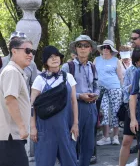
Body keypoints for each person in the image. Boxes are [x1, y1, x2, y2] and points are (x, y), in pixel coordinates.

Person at [30, 46, 79, 166]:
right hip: (45, 130)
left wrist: (75, 124)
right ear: (45, 61)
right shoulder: (39, 80)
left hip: (65, 128)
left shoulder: (69, 77)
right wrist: (33, 127)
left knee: (70, 162)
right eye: (50, 57)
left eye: (56, 56)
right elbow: (32, 105)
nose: (54, 59)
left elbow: (74, 101)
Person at [61, 35, 99, 165]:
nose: (83, 48)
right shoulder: (67, 67)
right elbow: (63, 90)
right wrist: (79, 96)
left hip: (91, 108)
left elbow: (96, 86)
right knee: (71, 141)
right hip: (74, 107)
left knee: (88, 145)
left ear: (90, 49)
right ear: (75, 49)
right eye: (79, 46)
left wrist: (95, 94)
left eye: (86, 46)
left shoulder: (92, 67)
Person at [0, 37, 33, 166]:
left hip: (11, 136)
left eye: (32, 52)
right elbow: (10, 100)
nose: (30, 54)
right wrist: (22, 127)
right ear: (14, 51)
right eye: (27, 50)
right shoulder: (12, 72)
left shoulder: (15, 72)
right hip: (10, 136)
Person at [119, 48, 140, 166]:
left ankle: (139, 163)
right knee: (126, 141)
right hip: (132, 108)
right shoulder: (131, 71)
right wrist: (134, 85)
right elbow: (124, 90)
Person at [95, 40, 124, 146]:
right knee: (103, 112)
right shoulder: (96, 60)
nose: (105, 49)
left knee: (115, 112)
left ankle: (115, 136)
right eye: (104, 47)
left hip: (114, 88)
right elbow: (93, 75)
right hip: (100, 89)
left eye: (108, 48)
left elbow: (120, 77)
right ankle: (105, 137)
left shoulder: (116, 60)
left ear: (111, 50)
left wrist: (122, 90)